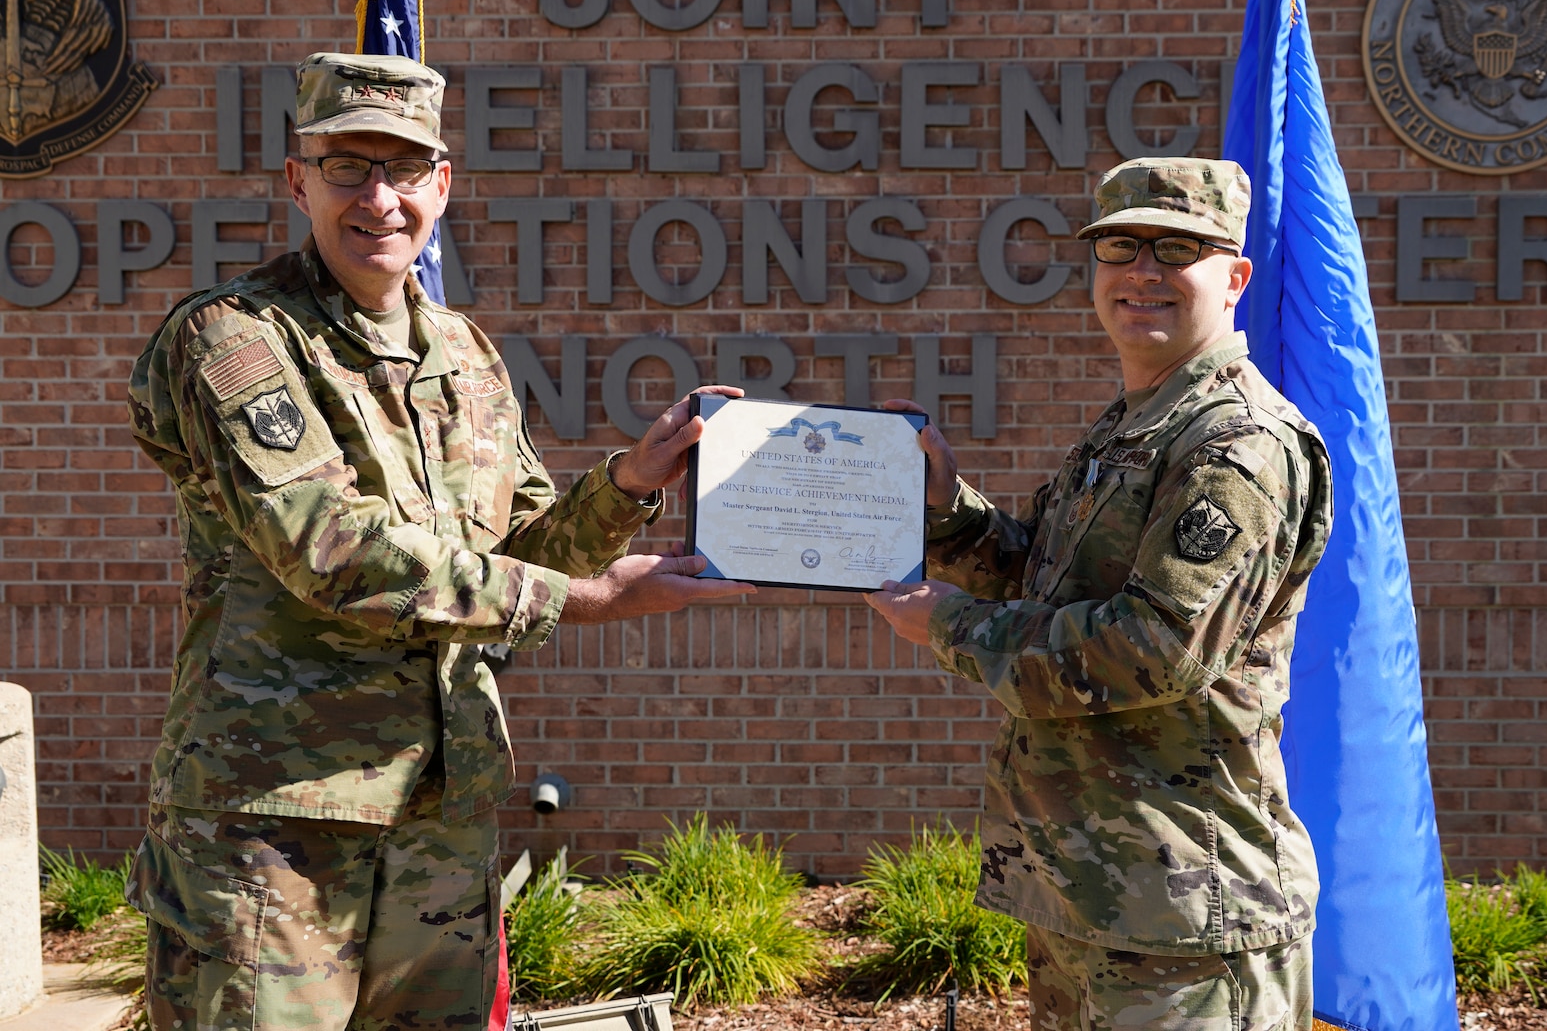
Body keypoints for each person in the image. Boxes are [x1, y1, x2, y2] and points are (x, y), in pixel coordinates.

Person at [123, 52, 753, 1031]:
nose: (379, 198)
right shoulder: (233, 340)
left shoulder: (466, 356)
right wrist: (583, 601)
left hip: (440, 822)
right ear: (300, 178)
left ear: (442, 184)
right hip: (278, 824)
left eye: (404, 169)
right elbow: (331, 548)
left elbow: (526, 546)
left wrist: (632, 484)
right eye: (348, 166)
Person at [865, 157, 1334, 1030]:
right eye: (1119, 247)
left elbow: (1156, 648)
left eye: (1177, 248)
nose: (1142, 271)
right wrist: (945, 508)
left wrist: (953, 625)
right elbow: (1039, 574)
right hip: (1093, 891)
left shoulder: (1236, 445)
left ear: (1232, 278)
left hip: (1186, 910)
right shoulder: (1132, 424)